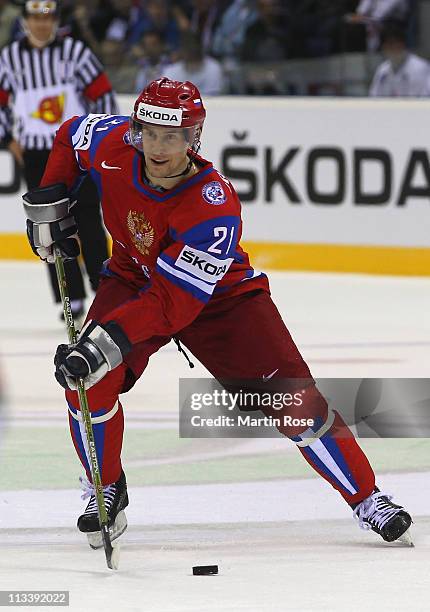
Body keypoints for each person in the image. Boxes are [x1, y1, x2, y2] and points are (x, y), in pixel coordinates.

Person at [23, 77, 412, 550]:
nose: (158, 147)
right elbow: (68, 135)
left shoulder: (213, 204)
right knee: (87, 383)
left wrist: (103, 342)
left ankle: (368, 498)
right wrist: (50, 205)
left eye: (173, 136)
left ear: (194, 138)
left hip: (220, 304)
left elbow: (172, 304)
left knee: (296, 406)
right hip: (131, 279)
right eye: (150, 133)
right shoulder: (112, 142)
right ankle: (105, 488)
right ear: (136, 129)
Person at [0, 0, 116, 320]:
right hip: (37, 153)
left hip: (79, 151)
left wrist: (99, 139)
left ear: (56, 20)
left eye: (48, 17)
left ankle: (103, 286)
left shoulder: (76, 53)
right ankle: (72, 296)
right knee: (49, 227)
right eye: (36, 18)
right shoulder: (9, 58)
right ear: (25, 21)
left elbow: (103, 95)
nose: (42, 24)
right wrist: (7, 139)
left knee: (90, 219)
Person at [369, 22, 430, 96]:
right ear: (383, 47)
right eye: (389, 44)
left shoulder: (420, 68)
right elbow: (374, 97)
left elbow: (423, 100)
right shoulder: (382, 70)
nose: (394, 47)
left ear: (404, 44)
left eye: (397, 43)